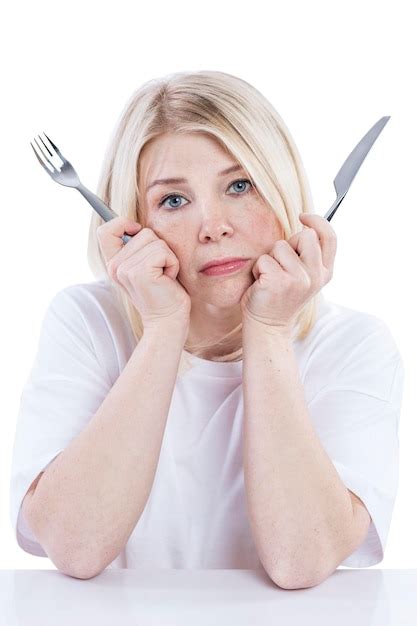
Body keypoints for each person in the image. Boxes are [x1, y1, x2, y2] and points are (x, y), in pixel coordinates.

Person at [9, 70, 404, 584]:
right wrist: (163, 325)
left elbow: (300, 561)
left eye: (241, 186)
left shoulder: (355, 346)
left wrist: (267, 326)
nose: (213, 225)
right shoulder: (86, 322)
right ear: (132, 225)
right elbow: (75, 546)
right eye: (173, 200)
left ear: (284, 192)